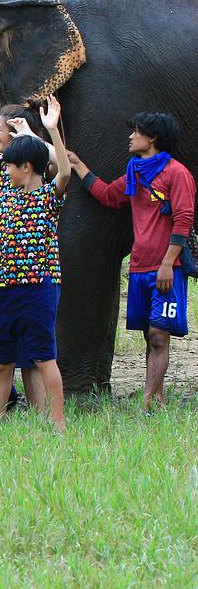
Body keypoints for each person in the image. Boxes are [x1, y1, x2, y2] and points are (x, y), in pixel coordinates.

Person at [0, 96, 69, 432]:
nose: (5, 170)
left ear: (26, 167)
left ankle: (58, 424)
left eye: (9, 165)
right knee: (1, 361)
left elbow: (64, 170)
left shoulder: (48, 197)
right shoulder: (5, 197)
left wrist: (49, 131)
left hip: (39, 288)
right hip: (4, 288)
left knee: (43, 357)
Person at [70, 112, 194, 413]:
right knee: (148, 335)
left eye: (136, 131)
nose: (130, 137)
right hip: (139, 266)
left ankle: (150, 400)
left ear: (152, 138)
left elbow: (184, 219)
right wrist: (78, 166)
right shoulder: (136, 171)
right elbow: (110, 196)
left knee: (158, 334)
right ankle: (157, 397)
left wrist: (168, 264)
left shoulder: (177, 174)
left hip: (166, 268)